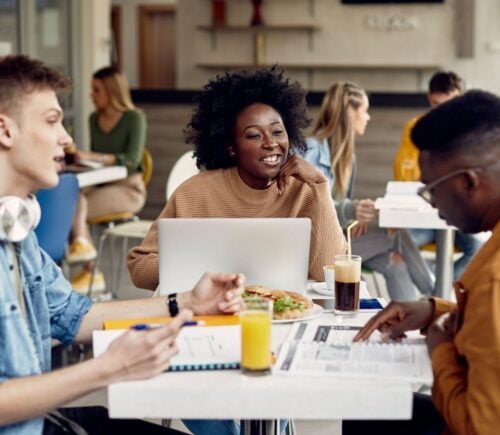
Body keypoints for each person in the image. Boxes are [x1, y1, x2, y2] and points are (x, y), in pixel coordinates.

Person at [0, 55, 243, 435]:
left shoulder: (17, 235)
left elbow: (73, 315)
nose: (66, 138)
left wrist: (189, 302)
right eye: (52, 121)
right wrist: (107, 368)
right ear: (5, 130)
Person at [348, 90, 500, 434]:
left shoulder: (493, 278)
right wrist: (435, 310)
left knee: (364, 408)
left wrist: (441, 350)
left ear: (468, 182)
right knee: (368, 411)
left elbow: (483, 428)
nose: (432, 203)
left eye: (431, 189)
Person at [127, 67, 347, 292]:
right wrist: (205, 275)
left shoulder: (306, 190)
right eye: (254, 135)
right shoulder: (194, 193)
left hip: (284, 312)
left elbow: (329, 272)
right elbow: (140, 266)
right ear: (231, 147)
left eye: (278, 132)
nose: (271, 143)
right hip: (212, 314)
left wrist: (321, 186)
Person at [304, 82, 434, 301]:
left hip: (341, 243)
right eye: (364, 111)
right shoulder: (311, 150)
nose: (368, 117)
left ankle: (403, 327)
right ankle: (436, 296)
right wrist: (351, 209)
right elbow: (307, 206)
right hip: (317, 251)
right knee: (398, 235)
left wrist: (356, 215)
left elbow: (341, 208)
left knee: (396, 263)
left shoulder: (348, 160)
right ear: (350, 113)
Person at [394, 70, 482, 279]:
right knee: (396, 246)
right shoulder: (416, 129)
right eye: (436, 104)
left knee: (478, 248)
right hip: (423, 216)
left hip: (458, 220)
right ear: (429, 100)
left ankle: (436, 289)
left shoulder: (474, 132)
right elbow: (405, 177)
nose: (442, 112)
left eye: (448, 104)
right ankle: (434, 292)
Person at [68, 66, 148, 293]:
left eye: (97, 90)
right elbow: (101, 163)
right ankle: (87, 269)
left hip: (128, 189)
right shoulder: (94, 119)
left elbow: (131, 161)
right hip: (101, 184)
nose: (92, 95)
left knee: (72, 210)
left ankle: (91, 271)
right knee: (70, 199)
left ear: (112, 92)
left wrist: (90, 156)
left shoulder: (135, 118)